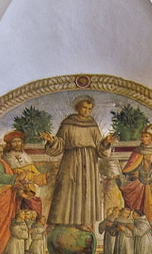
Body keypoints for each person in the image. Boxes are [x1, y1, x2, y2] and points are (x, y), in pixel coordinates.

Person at [39, 95, 117, 231]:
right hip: (71, 159)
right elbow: (60, 144)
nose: (87, 111)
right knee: (65, 188)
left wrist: (106, 142)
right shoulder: (68, 122)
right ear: (77, 107)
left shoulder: (92, 123)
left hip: (89, 161)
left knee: (85, 191)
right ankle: (57, 221)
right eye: (84, 107)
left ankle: (83, 222)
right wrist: (51, 141)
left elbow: (100, 148)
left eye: (89, 109)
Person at [2, 131, 48, 218]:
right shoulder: (6, 156)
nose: (17, 144)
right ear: (9, 144)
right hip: (15, 182)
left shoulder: (24, 155)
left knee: (34, 192)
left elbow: (32, 168)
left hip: (28, 180)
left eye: (19, 141)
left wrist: (35, 175)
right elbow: (9, 171)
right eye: (14, 142)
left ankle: (35, 218)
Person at [118, 122, 152, 220]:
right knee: (129, 188)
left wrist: (141, 174)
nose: (143, 138)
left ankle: (150, 220)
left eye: (146, 136)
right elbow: (130, 167)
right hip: (138, 179)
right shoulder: (138, 150)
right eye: (142, 136)